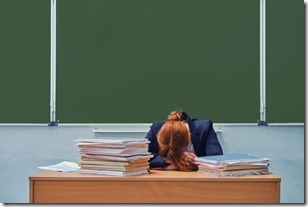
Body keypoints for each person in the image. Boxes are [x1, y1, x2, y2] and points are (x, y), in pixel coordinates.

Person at [145, 110, 223, 171]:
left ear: (189, 136)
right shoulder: (157, 128)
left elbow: (216, 159)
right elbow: (140, 157)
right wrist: (175, 162)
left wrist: (196, 162)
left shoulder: (204, 128)